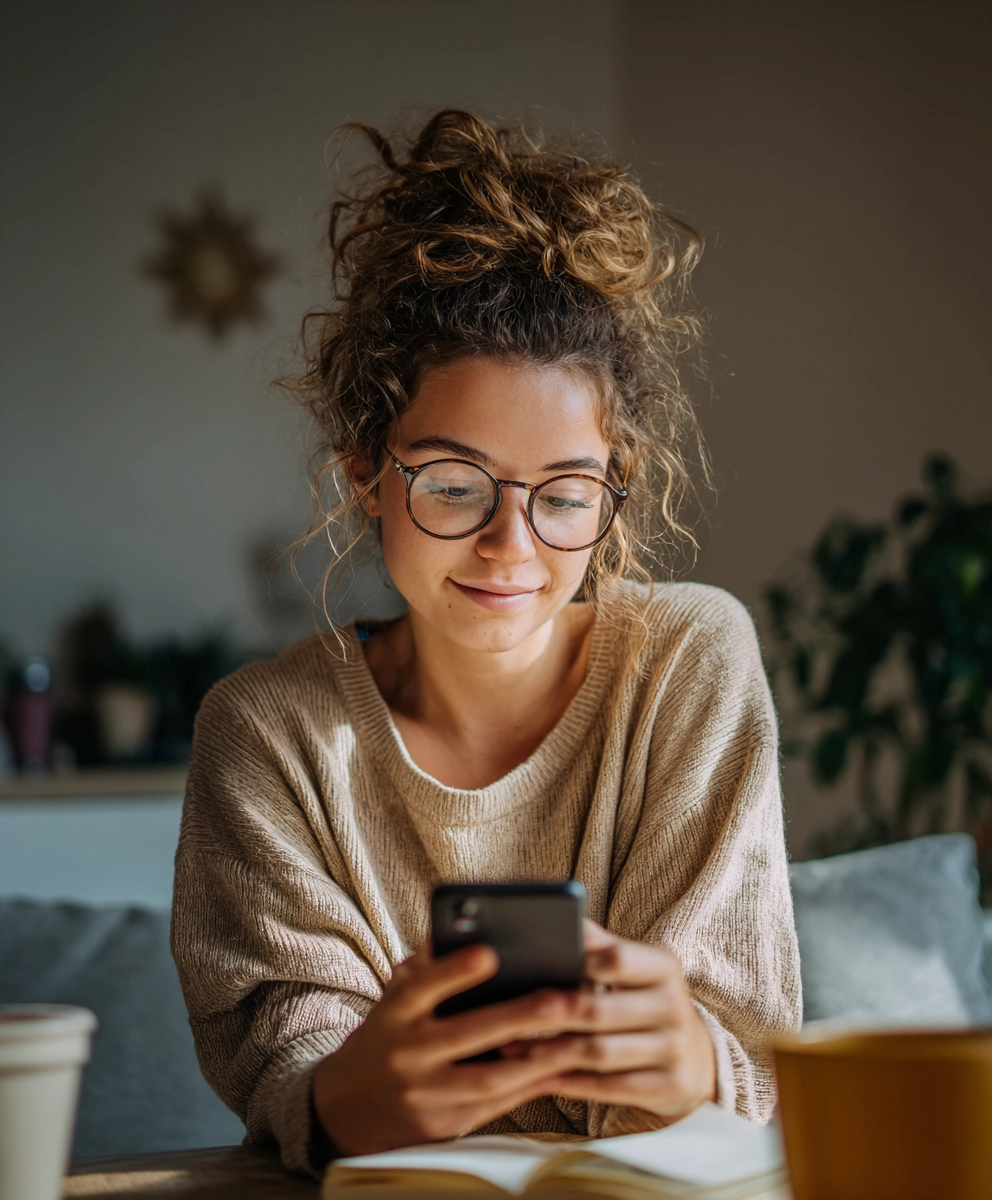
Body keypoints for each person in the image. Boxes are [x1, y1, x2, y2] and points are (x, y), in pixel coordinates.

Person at [171, 109, 801, 1176]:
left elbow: (745, 1063)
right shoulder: (268, 736)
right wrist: (352, 1090)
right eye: (455, 485)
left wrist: (692, 1053)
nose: (510, 546)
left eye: (562, 496)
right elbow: (294, 1083)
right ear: (365, 475)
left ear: (615, 493)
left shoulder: (690, 662)